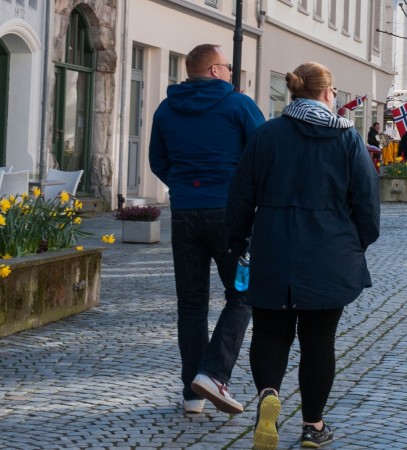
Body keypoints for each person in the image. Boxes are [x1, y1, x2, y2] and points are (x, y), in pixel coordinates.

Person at [227, 61, 380, 449]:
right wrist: (356, 244)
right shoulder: (347, 138)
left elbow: (241, 194)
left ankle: (268, 395)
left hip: (273, 247)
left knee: (270, 332)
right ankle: (313, 426)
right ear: (328, 93)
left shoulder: (267, 134)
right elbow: (367, 200)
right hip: (329, 252)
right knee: (319, 341)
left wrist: (239, 240)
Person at [149, 43, 264, 416]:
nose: (230, 72)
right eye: (227, 67)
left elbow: (157, 161)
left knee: (191, 303)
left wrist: (184, 186)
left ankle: (192, 394)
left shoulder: (166, 108)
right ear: (215, 70)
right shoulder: (238, 105)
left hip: (185, 213)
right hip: (230, 215)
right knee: (245, 293)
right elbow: (263, 153)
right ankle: (213, 373)